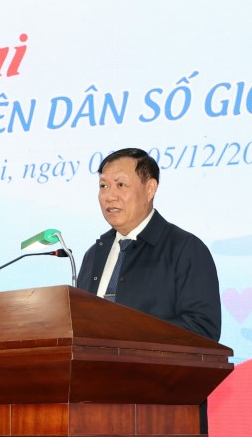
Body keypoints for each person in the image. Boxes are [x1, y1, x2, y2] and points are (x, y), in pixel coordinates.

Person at [76, 148, 221, 434]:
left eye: (120, 184)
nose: (109, 196)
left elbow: (203, 330)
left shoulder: (185, 249)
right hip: (96, 410)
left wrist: (126, 334)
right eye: (103, 186)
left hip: (163, 411)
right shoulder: (94, 254)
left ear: (150, 188)